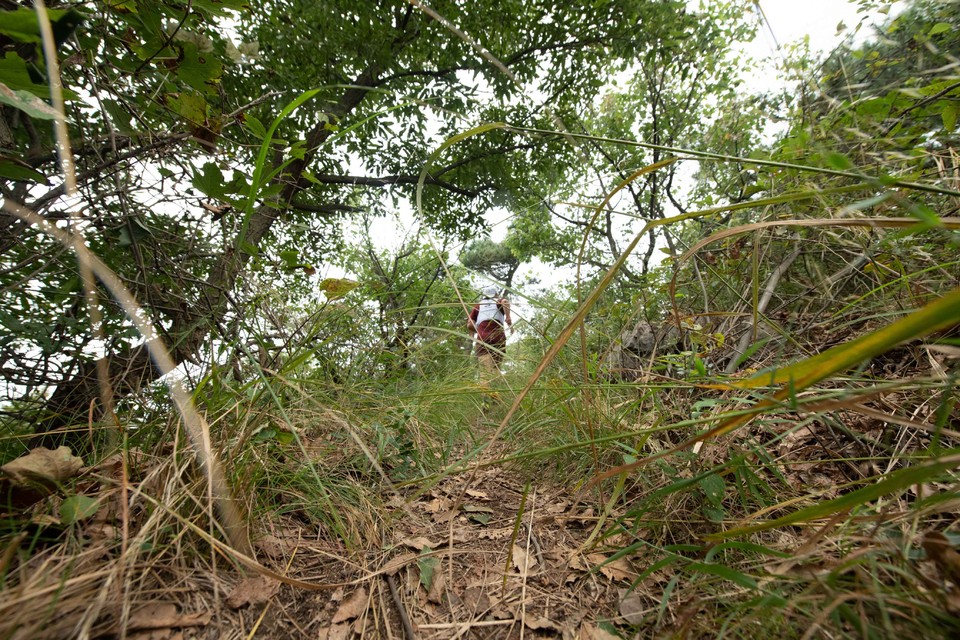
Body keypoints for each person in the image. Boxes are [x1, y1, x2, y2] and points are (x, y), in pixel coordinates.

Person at [467, 285, 513, 378]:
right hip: (498, 338)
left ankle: (486, 391)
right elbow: (505, 302)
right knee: (496, 368)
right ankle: (497, 389)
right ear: (496, 294)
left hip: (483, 339)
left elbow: (469, 324)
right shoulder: (497, 302)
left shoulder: (478, 306)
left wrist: (479, 330)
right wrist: (508, 318)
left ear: (484, 295)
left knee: (485, 371)